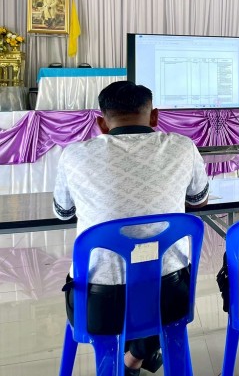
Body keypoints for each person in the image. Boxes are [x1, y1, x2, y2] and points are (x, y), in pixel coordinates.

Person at [53, 81, 209, 376]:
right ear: (155, 117)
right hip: (170, 294)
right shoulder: (182, 147)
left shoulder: (73, 154)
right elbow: (198, 200)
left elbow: (63, 213)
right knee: (155, 275)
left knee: (126, 278)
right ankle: (139, 353)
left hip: (100, 302)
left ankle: (134, 357)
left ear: (101, 123)